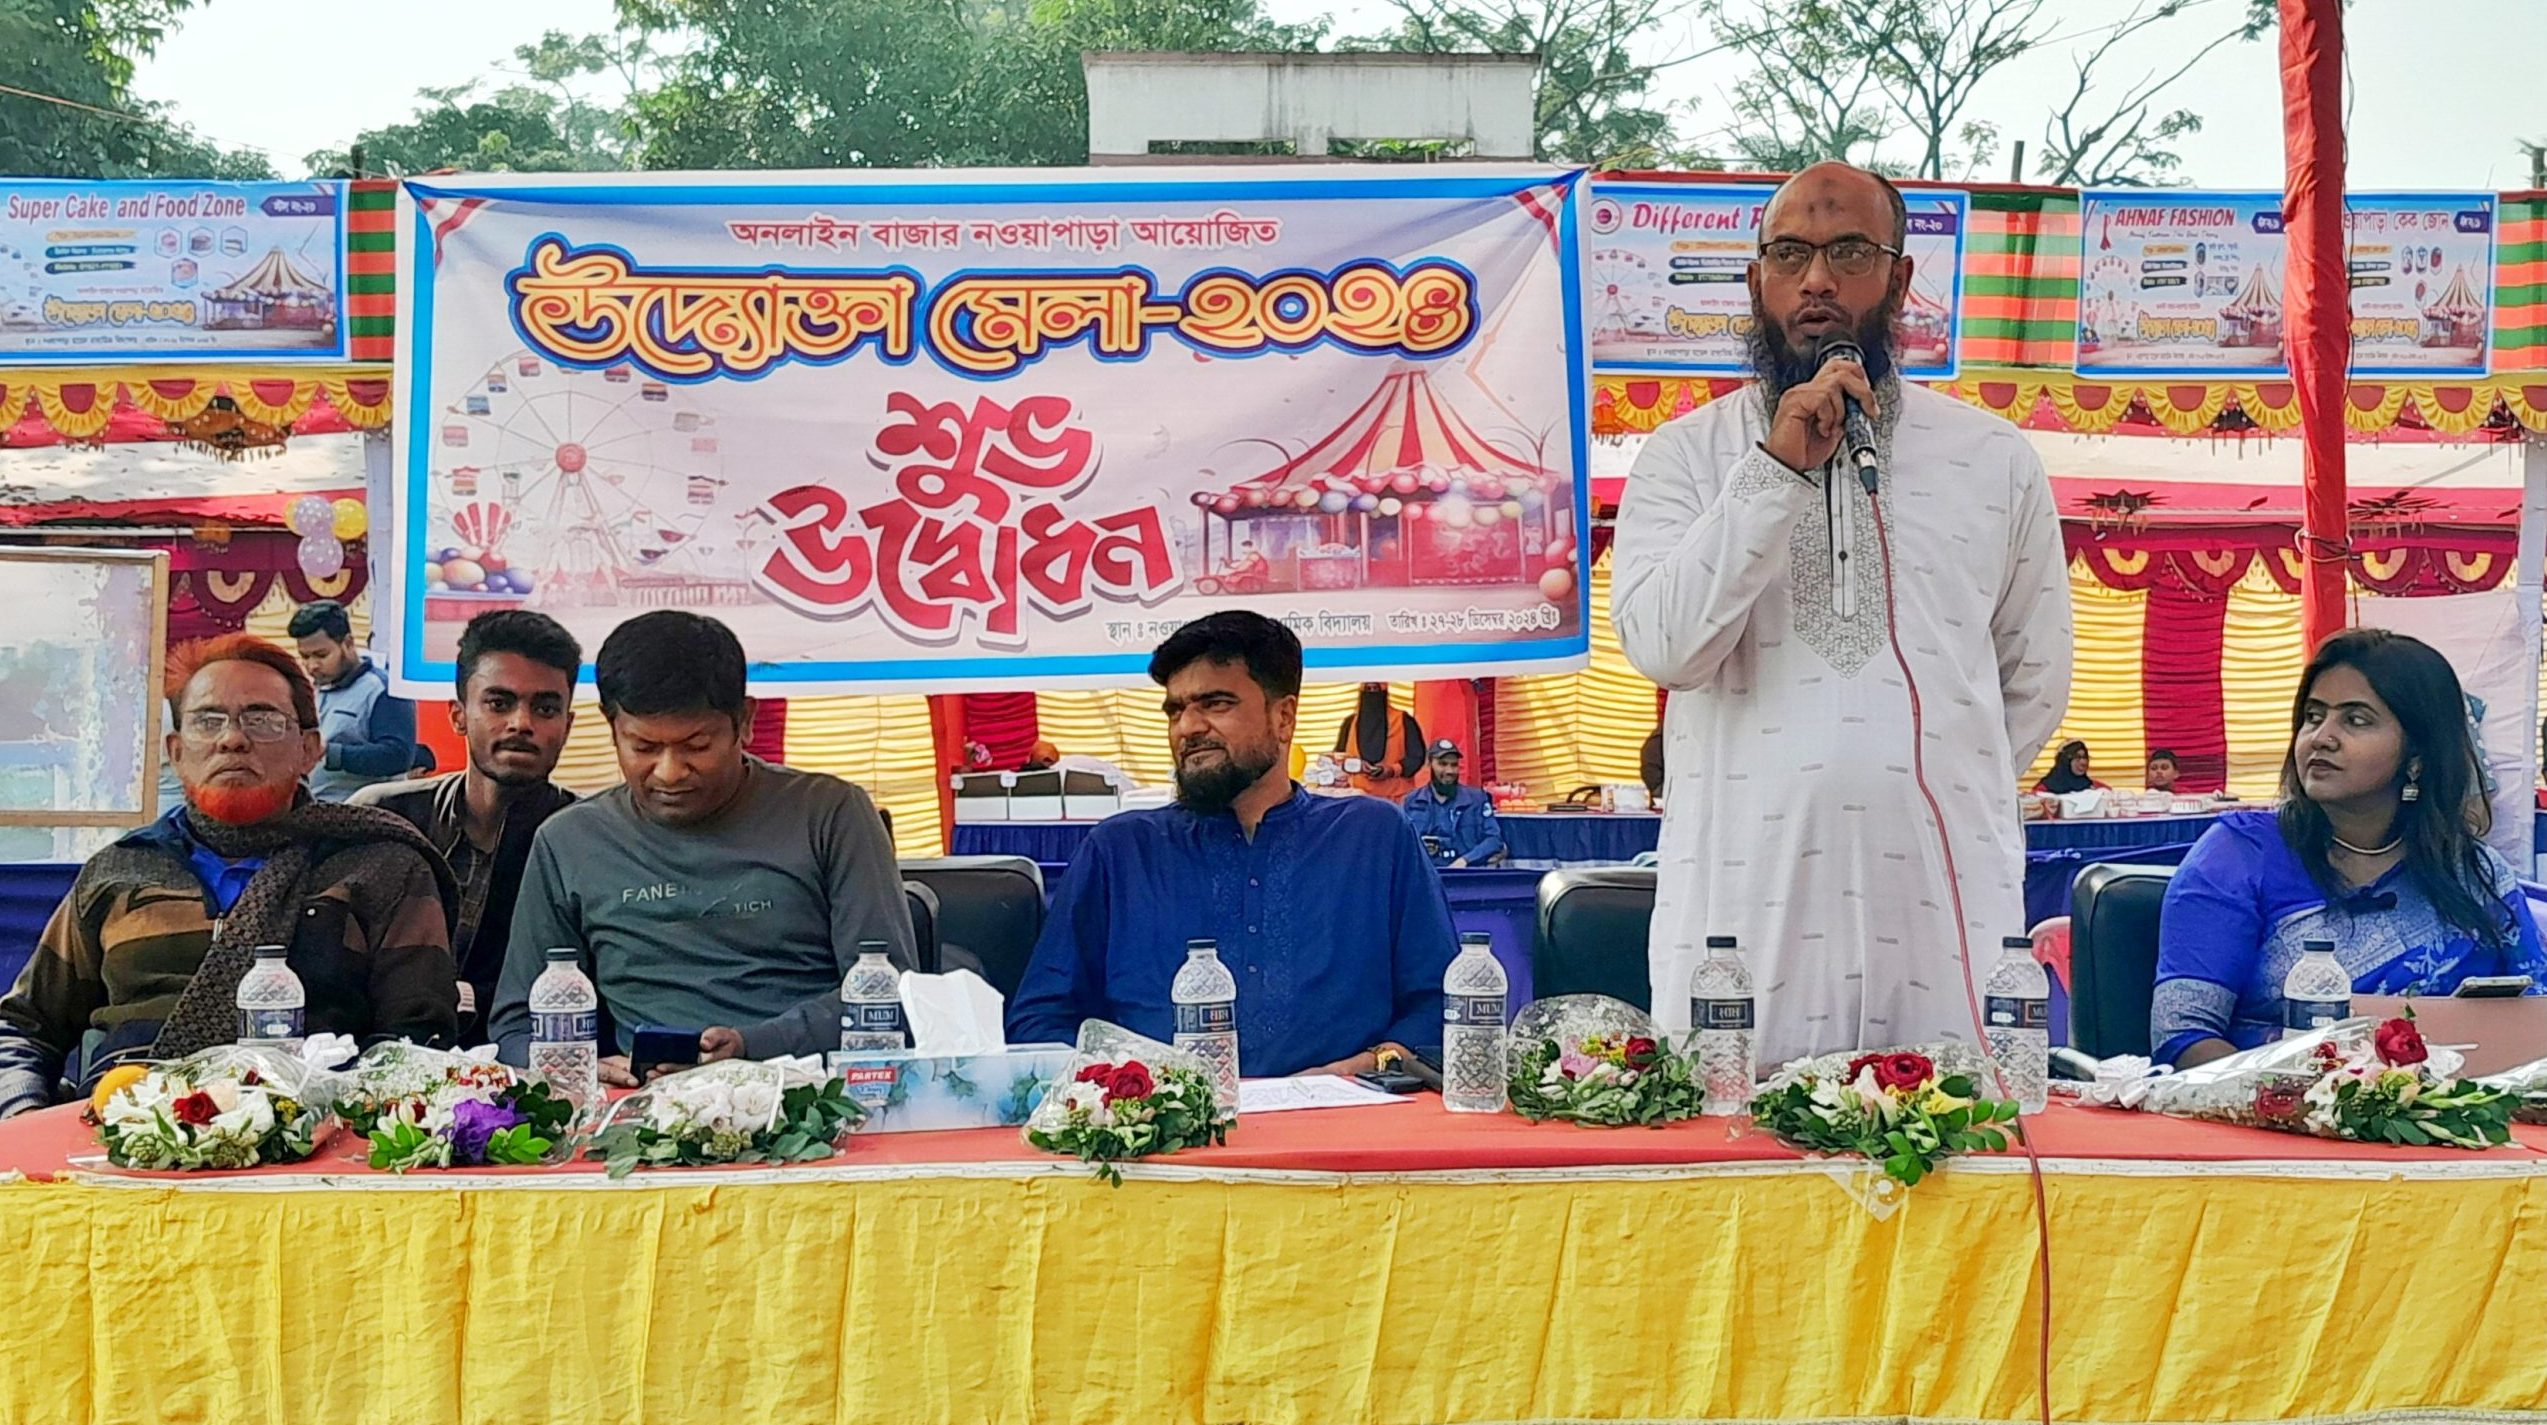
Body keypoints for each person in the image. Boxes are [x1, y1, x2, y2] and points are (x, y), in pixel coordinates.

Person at [1610, 160, 2074, 1068]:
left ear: (1899, 281)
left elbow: (2031, 681)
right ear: (1757, 281)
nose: (1816, 279)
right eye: (1789, 254)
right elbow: (1666, 647)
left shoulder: (1992, 457)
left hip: (1941, 904)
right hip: (1741, 904)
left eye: (1850, 252)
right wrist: (1773, 472)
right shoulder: (1685, 457)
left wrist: (1913, 783)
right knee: (1737, 1143)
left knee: (1951, 1142)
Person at [0, 635, 458, 1116]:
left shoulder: (379, 866)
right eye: (208, 720)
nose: (232, 739)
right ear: (177, 751)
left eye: (262, 720)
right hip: (117, 1133)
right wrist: (22, 1116)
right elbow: (24, 1025)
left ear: (309, 749)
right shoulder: (120, 871)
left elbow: (416, 1040)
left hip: (316, 1139)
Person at [1006, 611, 1456, 1076]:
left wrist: (1363, 1067)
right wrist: (1143, 1093)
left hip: (1349, 1115)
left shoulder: (1373, 837)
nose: (1187, 727)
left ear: (1284, 718)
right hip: (1158, 1121)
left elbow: (1441, 1006)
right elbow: (1040, 1024)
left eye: (1216, 704)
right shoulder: (1120, 851)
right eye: (1175, 711)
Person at [487, 611, 914, 1083]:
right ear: (612, 727)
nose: (670, 772)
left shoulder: (830, 815)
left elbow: (894, 995)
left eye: (697, 745)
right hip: (646, 1106)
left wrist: (752, 1046)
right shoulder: (569, 842)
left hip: (811, 1091)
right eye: (644, 747)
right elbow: (516, 1027)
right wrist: (587, 1068)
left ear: (744, 722)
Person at [2152, 630, 2547, 1066]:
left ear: (2417, 756)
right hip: (2266, 1102)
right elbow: (2182, 1036)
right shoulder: (2238, 856)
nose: (2322, 737)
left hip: (2466, 1103)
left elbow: (2538, 1015)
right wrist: (2308, 1096)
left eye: (2356, 720)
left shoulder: (2471, 872)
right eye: (2313, 716)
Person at [354, 610, 582, 1043]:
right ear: (458, 715)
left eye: (546, 708)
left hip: (529, 1064)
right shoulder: (384, 818)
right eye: (499, 703)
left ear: (567, 726)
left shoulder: (589, 840)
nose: (522, 723)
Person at [289, 599, 418, 802]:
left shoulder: (383, 689)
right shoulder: (315, 688)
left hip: (365, 811)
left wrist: (331, 753)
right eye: (304, 657)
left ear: (348, 643)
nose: (312, 665)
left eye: (321, 655)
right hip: (314, 807)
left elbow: (399, 756)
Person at [1401, 740, 1505, 869]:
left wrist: (1465, 860)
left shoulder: (1477, 799)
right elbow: (1401, 844)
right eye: (1443, 764)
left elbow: (1494, 840)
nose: (1449, 771)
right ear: (1430, 763)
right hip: (1425, 875)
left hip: (1467, 874)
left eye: (1454, 765)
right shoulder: (1412, 802)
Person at [1333, 682, 1426, 802]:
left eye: (1375, 688)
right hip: (1358, 798)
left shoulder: (1403, 720)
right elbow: (1339, 758)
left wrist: (1391, 770)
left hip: (1396, 798)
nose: (1372, 693)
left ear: (1384, 691)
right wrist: (1358, 766)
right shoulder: (1350, 723)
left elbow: (1416, 757)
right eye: (1368, 689)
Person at [2034, 740, 2106, 795]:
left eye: (2085, 757)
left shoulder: (2097, 788)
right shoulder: (2042, 791)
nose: (2083, 762)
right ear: (2065, 761)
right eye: (2077, 757)